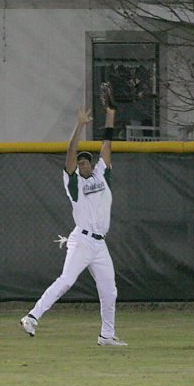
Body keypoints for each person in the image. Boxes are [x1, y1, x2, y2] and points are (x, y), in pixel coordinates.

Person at [20, 102, 127, 346]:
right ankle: (31, 317)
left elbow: (107, 145)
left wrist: (110, 116)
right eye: (80, 163)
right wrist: (79, 125)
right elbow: (70, 152)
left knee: (109, 291)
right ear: (76, 168)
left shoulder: (102, 174)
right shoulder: (74, 184)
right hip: (82, 240)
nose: (84, 164)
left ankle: (107, 335)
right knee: (67, 280)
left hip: (100, 244)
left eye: (86, 161)